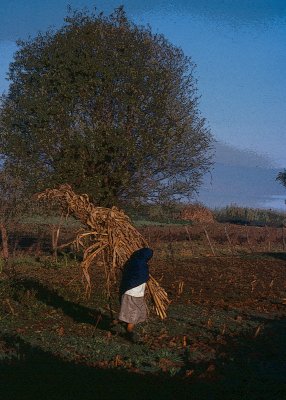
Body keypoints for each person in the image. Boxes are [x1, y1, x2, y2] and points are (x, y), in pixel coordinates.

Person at [118, 247, 153, 342]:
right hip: (133, 292)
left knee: (134, 310)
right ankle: (129, 331)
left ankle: (125, 323)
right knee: (134, 312)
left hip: (132, 290)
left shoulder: (132, 261)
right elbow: (144, 276)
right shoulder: (141, 264)